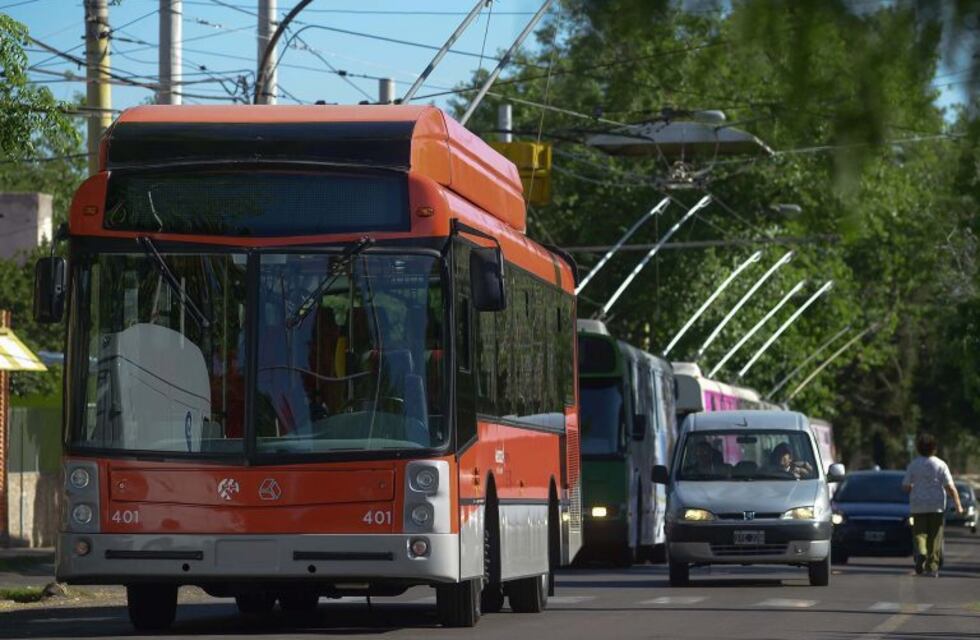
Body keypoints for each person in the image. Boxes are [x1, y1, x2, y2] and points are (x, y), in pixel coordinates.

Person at [903, 432, 963, 576]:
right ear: (934, 448)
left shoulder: (913, 465)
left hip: (918, 505)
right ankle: (932, 566)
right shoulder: (941, 464)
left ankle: (921, 552)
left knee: (920, 533)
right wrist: (958, 504)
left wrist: (912, 487)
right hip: (936, 505)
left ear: (918, 448)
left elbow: (905, 486)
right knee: (936, 537)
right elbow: (950, 487)